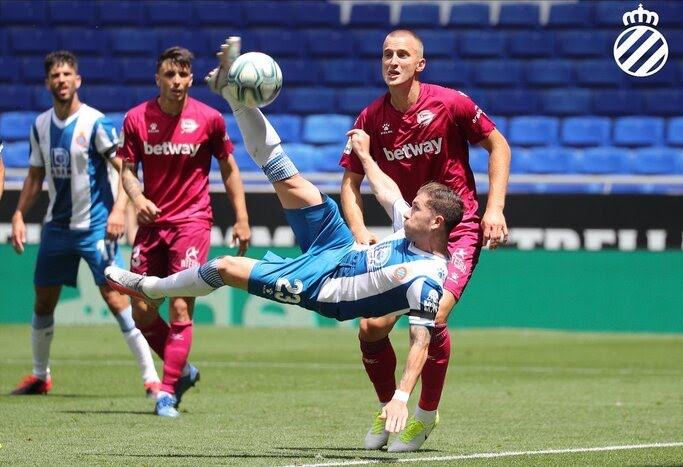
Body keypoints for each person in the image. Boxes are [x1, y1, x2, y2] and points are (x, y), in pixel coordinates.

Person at [105, 39, 464, 437]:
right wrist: (365, 157)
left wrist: (401, 396)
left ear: (434, 223)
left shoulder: (429, 279)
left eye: (416, 208)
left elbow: (419, 341)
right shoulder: (411, 225)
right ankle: (236, 99)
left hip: (328, 287)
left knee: (225, 267)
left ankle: (154, 289)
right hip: (339, 247)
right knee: (286, 175)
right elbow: (386, 192)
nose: (406, 208)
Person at [339, 29, 511, 452]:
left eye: (403, 54)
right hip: (407, 229)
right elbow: (350, 183)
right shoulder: (371, 119)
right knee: (370, 328)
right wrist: (360, 233)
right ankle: (387, 409)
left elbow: (498, 144)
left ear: (420, 65)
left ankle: (424, 415)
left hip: (458, 228)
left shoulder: (451, 103)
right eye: (386, 54)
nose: (392, 61)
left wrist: (494, 208)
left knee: (432, 317)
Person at [9, 50, 160, 396]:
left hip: (95, 226)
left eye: (67, 74)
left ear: (78, 80)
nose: (61, 80)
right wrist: (18, 213)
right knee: (43, 301)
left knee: (117, 299)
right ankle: (39, 376)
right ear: (47, 82)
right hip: (57, 228)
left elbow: (125, 167)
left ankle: (151, 378)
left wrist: (120, 209)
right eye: (55, 75)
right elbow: (34, 176)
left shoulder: (96, 123)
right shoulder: (41, 125)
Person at [117, 46, 251, 417]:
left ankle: (167, 391)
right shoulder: (136, 119)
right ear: (158, 78)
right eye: (170, 75)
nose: (177, 82)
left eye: (183, 75)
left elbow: (229, 169)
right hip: (151, 222)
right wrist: (137, 197)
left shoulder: (209, 119)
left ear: (191, 78)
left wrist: (241, 217)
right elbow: (126, 168)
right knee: (142, 310)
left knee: (179, 303)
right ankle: (184, 370)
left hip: (192, 221)